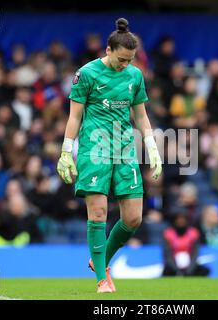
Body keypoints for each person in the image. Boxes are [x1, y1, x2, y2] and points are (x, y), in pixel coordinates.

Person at [56, 18, 162, 293]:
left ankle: (100, 260)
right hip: (95, 149)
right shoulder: (86, 74)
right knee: (99, 212)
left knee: (133, 219)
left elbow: (140, 114)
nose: (125, 64)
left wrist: (152, 147)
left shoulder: (135, 76)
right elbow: (74, 116)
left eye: (130, 59)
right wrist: (66, 151)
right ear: (108, 50)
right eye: (122, 59)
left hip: (125, 149)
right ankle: (102, 279)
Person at [162, 210, 209, 277]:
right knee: (166, 272)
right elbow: (168, 254)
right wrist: (176, 270)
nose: (181, 221)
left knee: (205, 271)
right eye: (178, 219)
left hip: (190, 263)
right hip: (174, 264)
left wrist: (189, 269)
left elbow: (195, 253)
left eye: (183, 219)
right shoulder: (168, 233)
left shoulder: (193, 233)